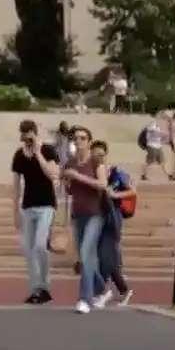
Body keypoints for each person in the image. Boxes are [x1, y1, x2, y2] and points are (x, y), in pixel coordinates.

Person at [11, 118, 60, 304]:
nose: (26, 138)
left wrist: (38, 153)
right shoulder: (19, 155)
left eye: (29, 133)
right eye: (23, 134)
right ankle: (35, 289)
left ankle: (45, 286)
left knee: (40, 245)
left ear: (35, 132)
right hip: (28, 206)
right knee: (29, 249)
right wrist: (15, 211)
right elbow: (15, 186)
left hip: (46, 204)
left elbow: (53, 174)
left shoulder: (48, 150)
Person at [62, 129, 111, 313]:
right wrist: (67, 182)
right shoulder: (71, 162)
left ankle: (84, 299)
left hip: (95, 213)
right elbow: (69, 190)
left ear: (89, 141)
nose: (79, 141)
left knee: (84, 253)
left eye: (83, 138)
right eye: (76, 139)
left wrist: (78, 176)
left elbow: (103, 184)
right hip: (78, 213)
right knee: (87, 257)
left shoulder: (96, 161)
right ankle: (102, 289)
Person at [98, 146, 136, 307]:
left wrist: (115, 195)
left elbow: (132, 191)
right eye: (95, 155)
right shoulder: (94, 174)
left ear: (106, 155)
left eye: (101, 155)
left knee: (106, 254)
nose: (98, 158)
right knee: (106, 257)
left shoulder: (117, 173)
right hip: (98, 216)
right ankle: (123, 290)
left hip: (113, 217)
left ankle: (104, 292)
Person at [141, 113, 170, 181]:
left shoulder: (159, 126)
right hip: (152, 146)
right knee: (150, 162)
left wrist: (164, 137)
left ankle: (168, 175)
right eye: (163, 118)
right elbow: (151, 130)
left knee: (163, 161)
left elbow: (161, 135)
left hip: (158, 146)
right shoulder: (152, 124)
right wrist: (162, 133)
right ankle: (144, 175)